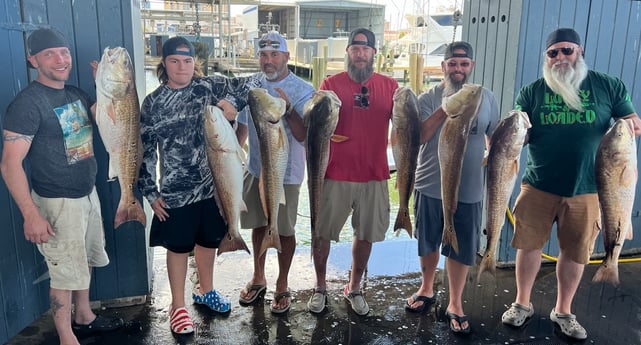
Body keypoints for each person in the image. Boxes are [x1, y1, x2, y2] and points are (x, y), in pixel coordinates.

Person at [500, 28, 641, 340]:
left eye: (567, 51)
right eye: (553, 53)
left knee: (576, 252)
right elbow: (518, 136)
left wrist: (629, 125)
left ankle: (563, 310)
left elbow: (633, 123)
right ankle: (521, 304)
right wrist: (510, 130)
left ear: (580, 51)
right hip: (538, 184)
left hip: (590, 188)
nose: (560, 58)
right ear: (546, 58)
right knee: (528, 246)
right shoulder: (532, 91)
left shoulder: (607, 86)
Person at [0, 28, 124, 345]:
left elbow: (108, 119)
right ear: (33, 60)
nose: (61, 59)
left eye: (64, 52)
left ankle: (84, 316)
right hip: (57, 203)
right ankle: (67, 337)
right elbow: (10, 163)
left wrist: (106, 83)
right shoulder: (28, 103)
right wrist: (31, 214)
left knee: (83, 262)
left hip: (88, 195)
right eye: (50, 54)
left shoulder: (77, 94)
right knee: (65, 272)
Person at [138, 36, 258, 334]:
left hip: (216, 188)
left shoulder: (209, 86)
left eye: (188, 61)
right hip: (176, 192)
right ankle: (178, 307)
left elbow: (252, 82)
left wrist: (232, 105)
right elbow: (145, 151)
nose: (182, 67)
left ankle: (206, 290)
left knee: (208, 242)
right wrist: (150, 193)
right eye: (175, 61)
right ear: (163, 64)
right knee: (177, 248)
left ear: (196, 63)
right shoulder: (152, 103)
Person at [403, 41, 499, 334]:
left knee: (461, 248)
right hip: (430, 183)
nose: (458, 69)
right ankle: (427, 287)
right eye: (453, 64)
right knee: (429, 240)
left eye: (464, 64)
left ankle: (455, 302)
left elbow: (493, 137)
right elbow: (419, 136)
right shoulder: (429, 97)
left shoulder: (486, 97)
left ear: (471, 66)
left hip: (469, 187)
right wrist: (448, 107)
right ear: (443, 66)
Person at [306, 28, 398, 316]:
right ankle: (320, 287)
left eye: (366, 48)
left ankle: (354, 286)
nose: (360, 53)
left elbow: (406, 128)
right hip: (335, 174)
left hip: (374, 174)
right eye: (355, 48)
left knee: (366, 235)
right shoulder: (330, 84)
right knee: (322, 233)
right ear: (347, 52)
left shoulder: (390, 86)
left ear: (374, 53)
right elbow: (312, 122)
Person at [236, 31, 314, 314]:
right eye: (263, 55)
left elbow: (304, 134)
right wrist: (234, 157)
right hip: (256, 168)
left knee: (285, 229)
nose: (268, 61)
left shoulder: (304, 89)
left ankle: (282, 282)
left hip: (287, 173)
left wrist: (289, 108)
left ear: (286, 56)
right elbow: (243, 127)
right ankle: (258, 276)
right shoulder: (252, 85)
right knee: (258, 224)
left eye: (274, 54)